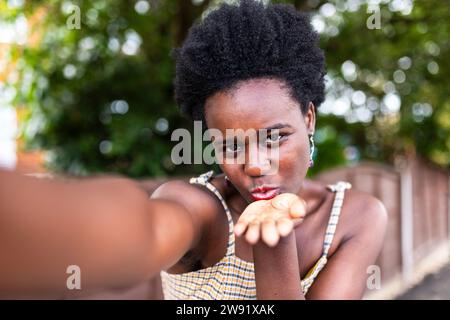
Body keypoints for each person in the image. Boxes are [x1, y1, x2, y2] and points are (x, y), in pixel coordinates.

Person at [0, 0, 387, 299]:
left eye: (275, 137)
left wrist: (275, 237)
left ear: (309, 119)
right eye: (231, 144)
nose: (254, 164)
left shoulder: (356, 217)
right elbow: (142, 231)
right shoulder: (200, 210)